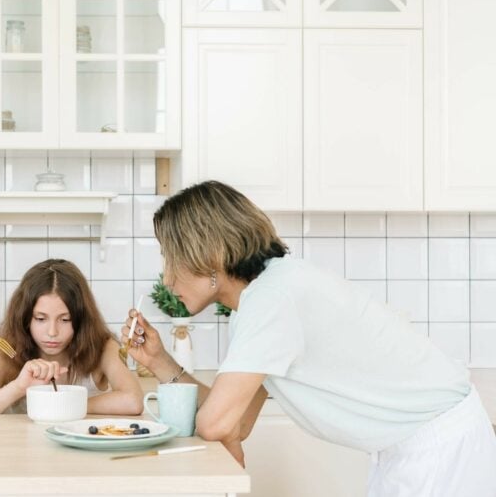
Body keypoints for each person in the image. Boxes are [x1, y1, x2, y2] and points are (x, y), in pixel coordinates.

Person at [122, 180, 496, 496]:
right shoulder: (262, 299)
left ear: (209, 255)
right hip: (411, 445)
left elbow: (217, 423)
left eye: (171, 258)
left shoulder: (273, 298)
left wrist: (224, 433)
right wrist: (159, 361)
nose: (168, 278)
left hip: (440, 448)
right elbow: (235, 421)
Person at [0, 259, 143, 415]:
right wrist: (18, 387)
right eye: (41, 319)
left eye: (65, 320)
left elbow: (133, 401)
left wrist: (65, 405)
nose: (52, 332)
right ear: (25, 318)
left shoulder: (103, 348)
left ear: (81, 320)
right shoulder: (7, 353)